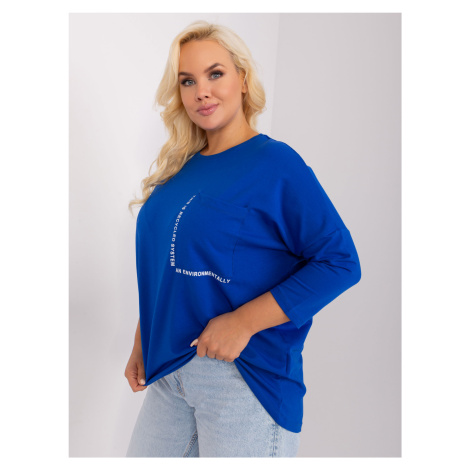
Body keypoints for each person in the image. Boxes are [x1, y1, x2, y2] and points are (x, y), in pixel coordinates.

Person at [124, 20, 361, 458]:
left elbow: (340, 262)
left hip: (243, 378)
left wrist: (243, 322)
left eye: (215, 74)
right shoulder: (179, 170)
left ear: (243, 79)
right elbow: (166, 265)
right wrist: (144, 338)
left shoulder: (276, 164)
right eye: (187, 81)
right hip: (169, 371)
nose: (202, 91)